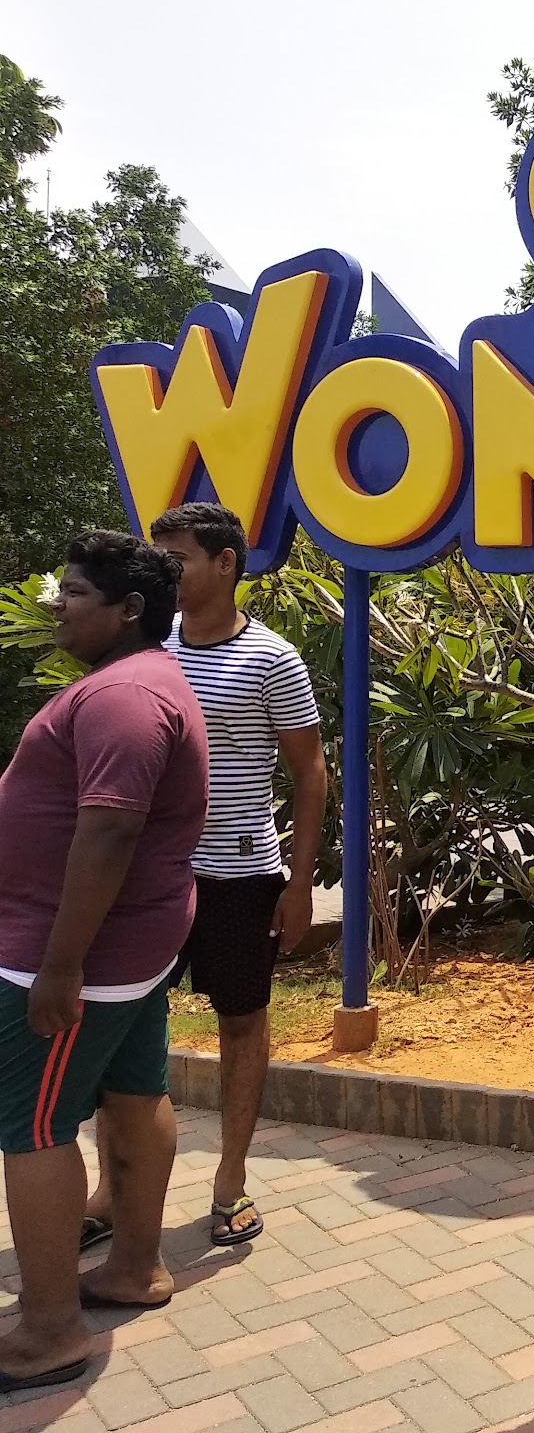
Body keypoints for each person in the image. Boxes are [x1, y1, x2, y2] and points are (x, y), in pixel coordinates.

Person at [85, 503, 327, 1250]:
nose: (166, 571)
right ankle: (111, 1189)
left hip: (239, 875)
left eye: (179, 558)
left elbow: (310, 773)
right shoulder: (143, 648)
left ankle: (230, 1180)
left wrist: (298, 885)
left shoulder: (273, 658)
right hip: (149, 875)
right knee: (120, 1020)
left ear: (226, 563)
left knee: (242, 1021)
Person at [0, 532, 209, 1393]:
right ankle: (134, 1267)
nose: (59, 604)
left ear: (129, 609)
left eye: (76, 592)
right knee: (134, 1090)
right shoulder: (141, 680)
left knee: (31, 1126)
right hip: (127, 947)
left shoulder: (125, 695)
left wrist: (60, 966)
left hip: (78, 956)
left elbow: (113, 828)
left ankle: (50, 1331)